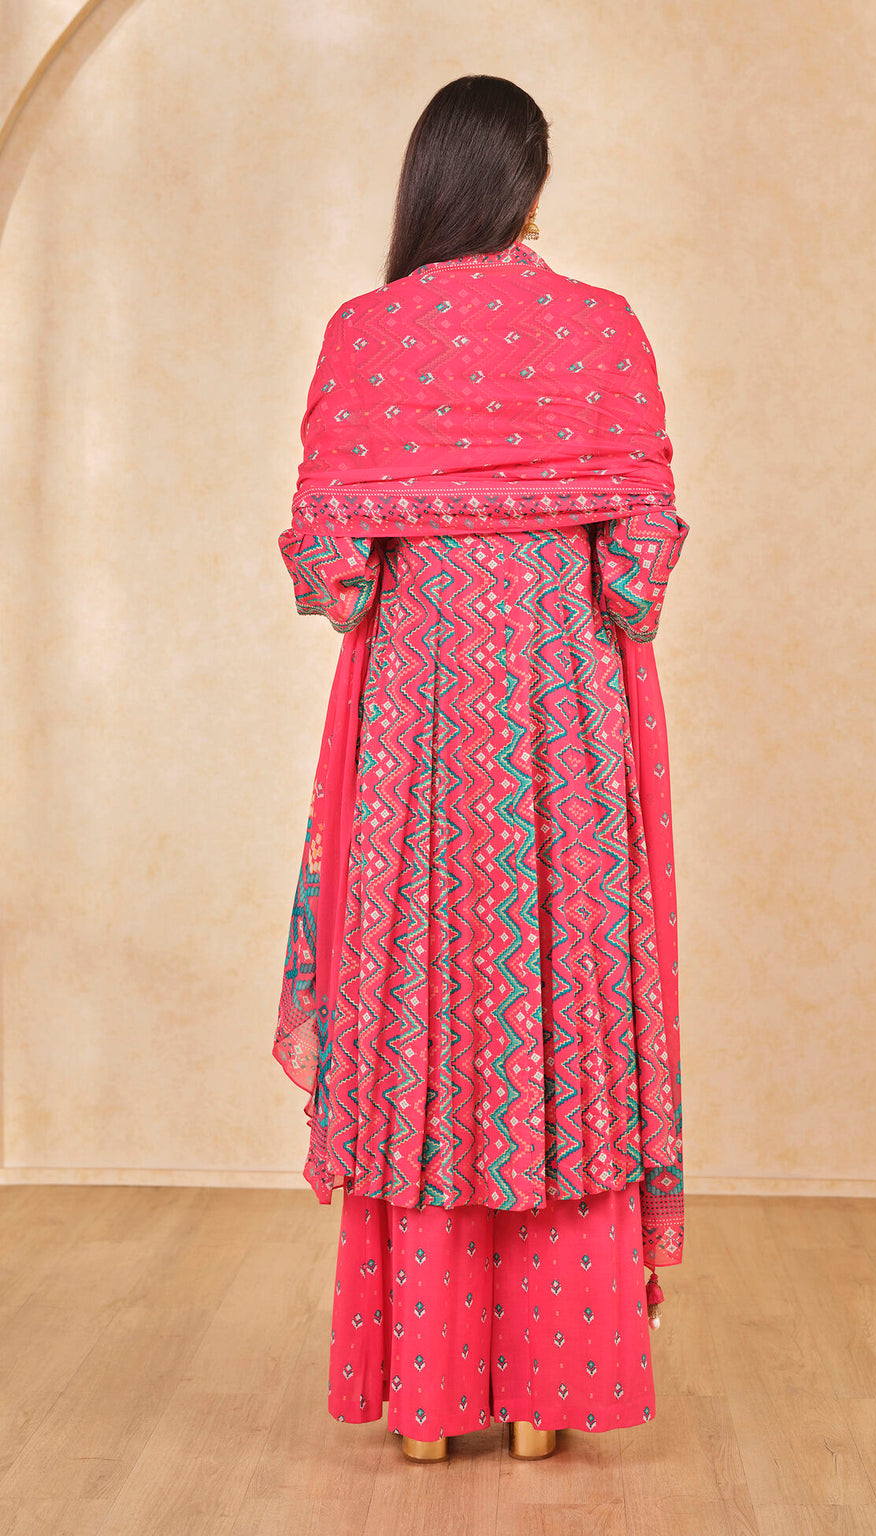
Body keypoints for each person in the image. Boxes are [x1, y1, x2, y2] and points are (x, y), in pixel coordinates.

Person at [272, 74, 688, 1463]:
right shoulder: (604, 331)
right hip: (561, 731)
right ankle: (544, 1400)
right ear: (531, 183)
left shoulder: (364, 335)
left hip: (417, 733)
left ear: (428, 182)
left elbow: (333, 574)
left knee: (419, 1019)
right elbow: (635, 579)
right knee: (560, 1014)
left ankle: (429, 1402)